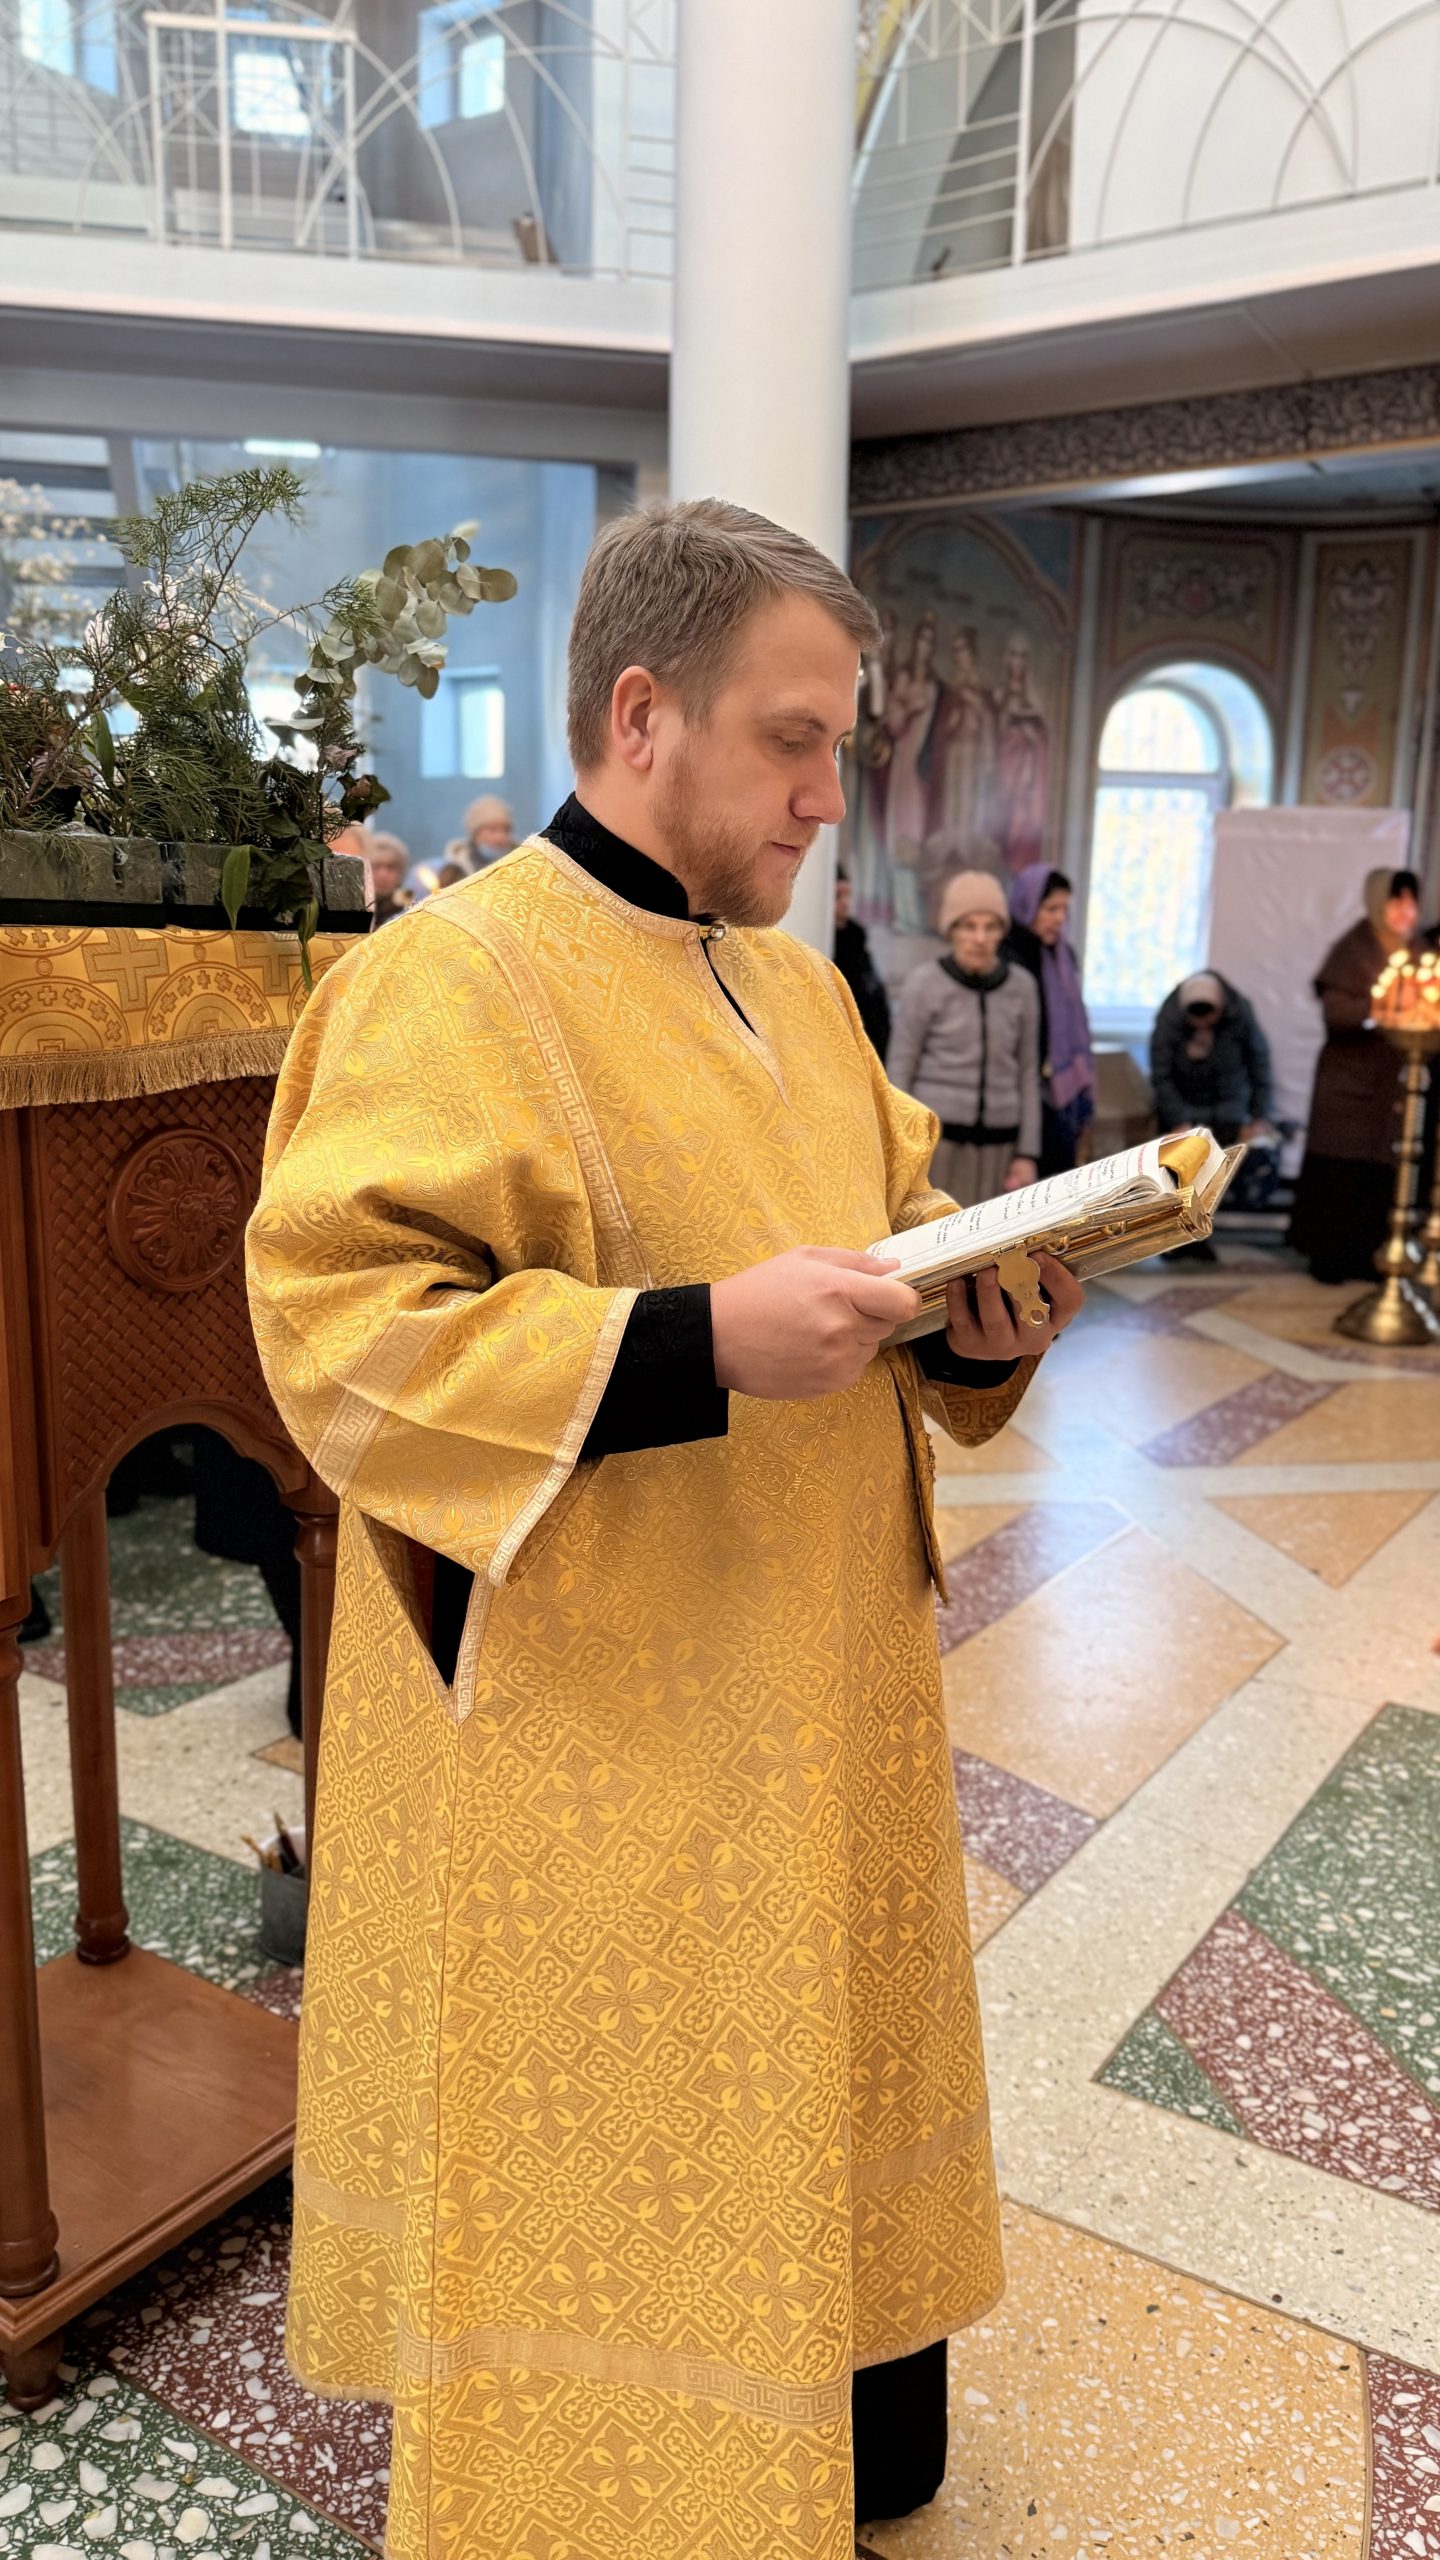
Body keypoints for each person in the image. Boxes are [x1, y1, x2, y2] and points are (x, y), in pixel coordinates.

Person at [247, 498, 1084, 2560]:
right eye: (794, 742)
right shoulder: (450, 976)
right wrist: (695, 1338)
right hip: (612, 1726)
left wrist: (975, 1314)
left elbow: (888, 1248)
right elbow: (343, 1325)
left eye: (839, 746)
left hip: (824, 1688)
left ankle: (847, 2428)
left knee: (814, 2073)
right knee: (644, 2126)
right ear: (643, 716)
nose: (828, 796)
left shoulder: (802, 995)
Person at [1289, 866, 1421, 1283]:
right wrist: (1381, 1011)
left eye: (1411, 903)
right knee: (1341, 1173)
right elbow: (1338, 1014)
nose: (1405, 912)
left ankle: (1369, 1254)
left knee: (1379, 1174)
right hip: (1349, 1087)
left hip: (1393, 1085)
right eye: (1396, 902)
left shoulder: (1415, 951)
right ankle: (1328, 1256)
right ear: (1378, 903)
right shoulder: (1354, 948)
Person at [889, 870, 1041, 1205]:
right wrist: (900, 1148)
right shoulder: (924, 984)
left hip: (1001, 1148)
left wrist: (1027, 1153)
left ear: (1002, 931)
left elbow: (1028, 1072)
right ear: (951, 930)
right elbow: (900, 1069)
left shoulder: (1022, 987)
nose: (980, 938)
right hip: (937, 1146)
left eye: (990, 927)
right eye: (969, 926)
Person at [1006, 863, 1096, 1175]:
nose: (1059, 919)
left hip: (1061, 1095)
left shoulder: (1063, 957)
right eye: (1050, 909)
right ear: (1027, 905)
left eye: (1064, 910)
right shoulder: (1009, 957)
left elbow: (1075, 1022)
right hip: (1021, 1092)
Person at [1150, 971, 1277, 1146]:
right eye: (1197, 1016)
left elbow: (1259, 1064)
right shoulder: (1168, 1024)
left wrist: (1259, 1116)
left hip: (1231, 1113)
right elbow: (1161, 1076)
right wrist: (1177, 1119)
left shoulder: (1239, 1016)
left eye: (1208, 1015)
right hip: (1184, 1114)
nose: (1203, 1023)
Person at [408, 795, 516, 900]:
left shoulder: (519, 868)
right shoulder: (453, 872)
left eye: (506, 830)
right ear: (475, 834)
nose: (500, 837)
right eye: (492, 830)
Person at [833, 861, 891, 1059]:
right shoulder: (821, 945)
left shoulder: (857, 940)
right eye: (837, 896)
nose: (845, 903)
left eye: (847, 895)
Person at [363, 830, 411, 928]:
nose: (383, 874)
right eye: (376, 866)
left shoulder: (409, 911)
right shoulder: (349, 906)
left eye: (390, 867)